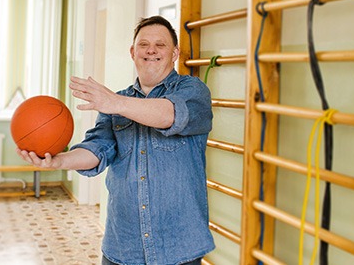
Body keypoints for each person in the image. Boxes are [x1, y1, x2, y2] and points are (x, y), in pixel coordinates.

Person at [18, 16, 215, 265]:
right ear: (133, 52)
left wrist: (115, 103)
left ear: (175, 53)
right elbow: (97, 149)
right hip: (123, 248)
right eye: (143, 44)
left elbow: (171, 114)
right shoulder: (115, 103)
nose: (151, 50)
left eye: (160, 45)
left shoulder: (194, 91)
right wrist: (57, 162)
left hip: (178, 249)